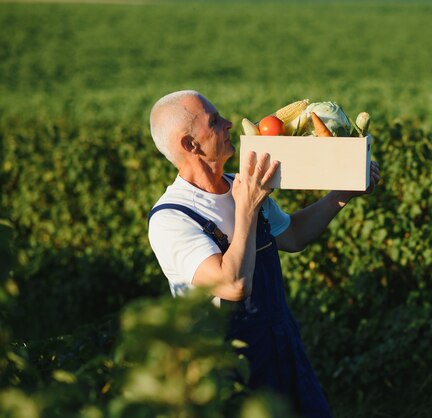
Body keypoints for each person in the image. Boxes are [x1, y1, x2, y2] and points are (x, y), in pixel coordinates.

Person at [147, 90, 380, 417]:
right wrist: (247, 207)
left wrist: (342, 194)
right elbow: (233, 285)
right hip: (230, 372)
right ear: (190, 145)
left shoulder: (240, 185)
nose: (229, 124)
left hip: (282, 348)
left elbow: (294, 236)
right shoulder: (172, 218)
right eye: (214, 121)